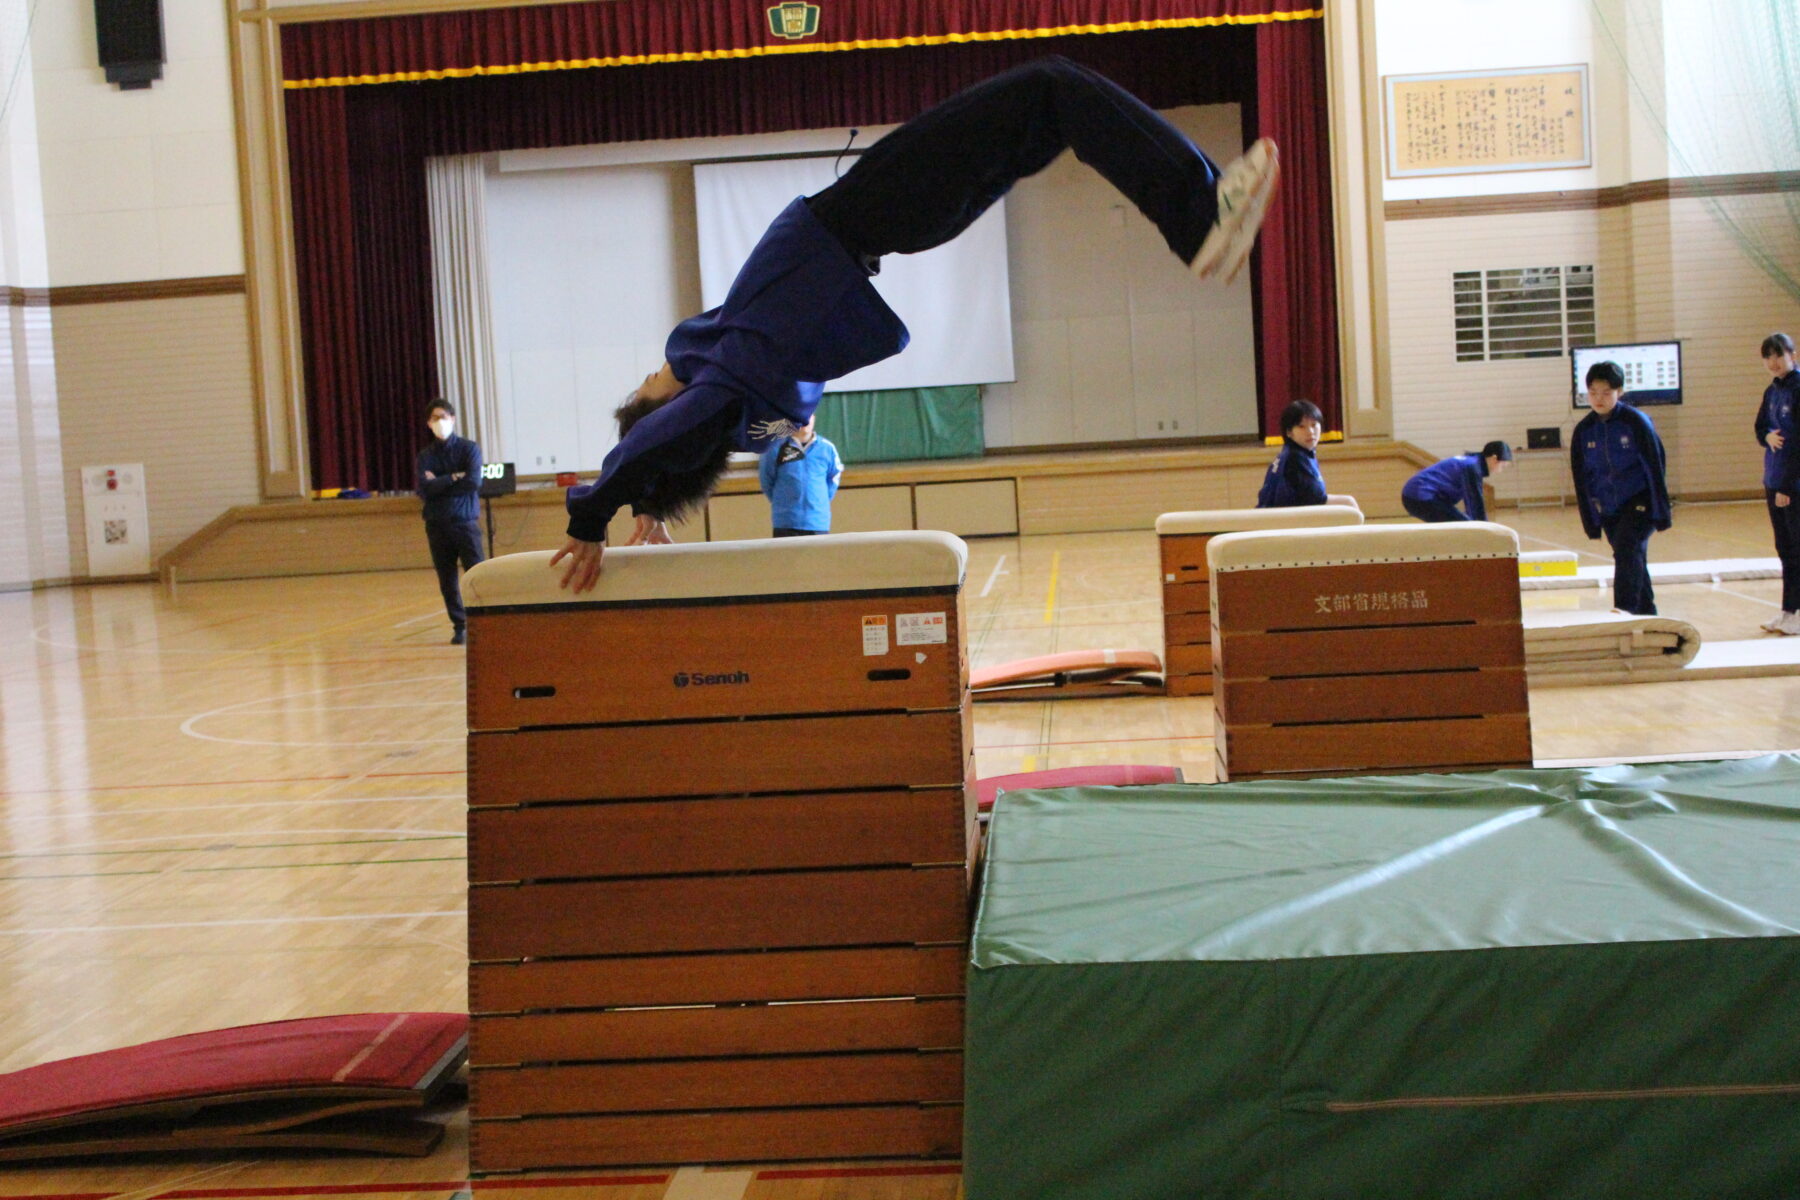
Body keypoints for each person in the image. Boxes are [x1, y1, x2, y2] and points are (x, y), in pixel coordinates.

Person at [551, 56, 1281, 592]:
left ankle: (1198, 220)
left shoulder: (750, 407)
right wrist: (598, 507)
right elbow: (660, 437)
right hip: (873, 209)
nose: (651, 370)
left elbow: (673, 443)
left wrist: (648, 500)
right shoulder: (725, 378)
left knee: (1051, 112)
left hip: (893, 225)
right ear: (666, 407)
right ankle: (1199, 212)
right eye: (645, 385)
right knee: (1051, 87)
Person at [1571, 361, 1671, 615]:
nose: (1598, 398)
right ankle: (1648, 616)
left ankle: (1623, 609)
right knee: (1632, 557)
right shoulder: (1584, 430)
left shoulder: (1636, 422)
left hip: (1640, 500)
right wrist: (1591, 519)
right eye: (1592, 392)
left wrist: (1660, 510)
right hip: (1609, 506)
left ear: (1620, 392)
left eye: (1606, 392)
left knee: (1628, 548)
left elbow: (1655, 465)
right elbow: (1581, 479)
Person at [415, 399, 485, 644]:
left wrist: (440, 482)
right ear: (428, 423)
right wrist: (454, 477)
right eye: (434, 418)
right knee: (447, 579)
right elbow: (424, 489)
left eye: (443, 416)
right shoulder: (425, 456)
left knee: (476, 574)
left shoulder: (469, 449)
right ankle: (460, 625)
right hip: (436, 524)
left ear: (453, 418)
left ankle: (484, 621)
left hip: (464, 522)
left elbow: (474, 482)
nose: (439, 422)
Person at [1755, 332, 1800, 634]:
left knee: (1797, 548)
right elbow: (1760, 426)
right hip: (1773, 478)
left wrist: (1787, 486)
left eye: (1779, 355)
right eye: (1768, 357)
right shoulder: (1772, 391)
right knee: (1785, 549)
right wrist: (1767, 436)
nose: (1774, 362)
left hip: (1792, 484)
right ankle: (1788, 610)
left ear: (1792, 355)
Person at [759, 417, 843, 536]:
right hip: (786, 523)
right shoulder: (776, 448)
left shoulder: (827, 448)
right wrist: (783, 502)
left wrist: (818, 501)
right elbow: (766, 480)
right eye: (800, 417)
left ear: (814, 419)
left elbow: (833, 480)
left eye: (809, 417)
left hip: (818, 523)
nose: (805, 421)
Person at [1401, 441, 1513, 522]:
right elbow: (1474, 503)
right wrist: (1487, 531)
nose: (1501, 470)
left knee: (1461, 523)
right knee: (1463, 526)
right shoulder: (1472, 467)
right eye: (1503, 466)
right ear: (1494, 459)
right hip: (1420, 497)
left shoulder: (1472, 462)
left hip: (1418, 495)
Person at [1256, 399, 1327, 508]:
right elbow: (1318, 499)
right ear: (1289, 432)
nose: (1310, 432)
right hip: (1283, 520)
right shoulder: (1295, 458)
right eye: (1301, 426)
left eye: (1314, 425)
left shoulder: (1294, 453)